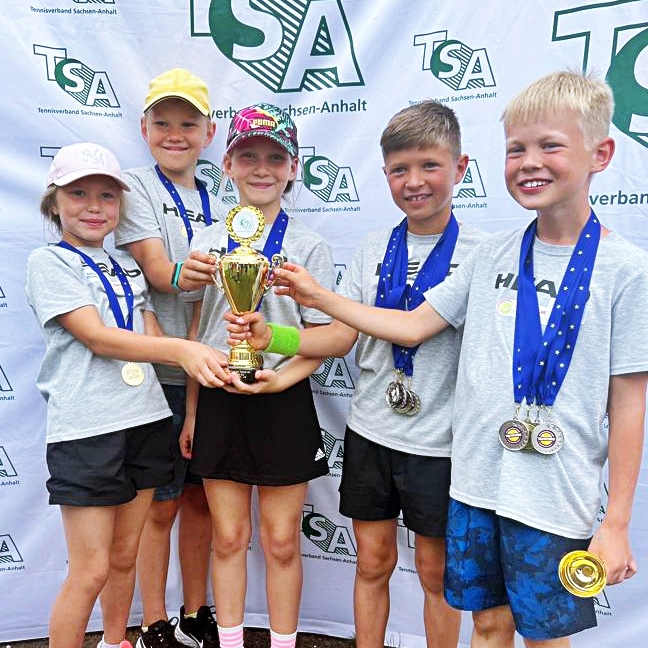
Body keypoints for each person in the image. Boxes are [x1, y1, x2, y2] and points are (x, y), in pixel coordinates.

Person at [230, 71, 648, 647]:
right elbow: (380, 329)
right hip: (423, 454)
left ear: (460, 168)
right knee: (446, 600)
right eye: (519, 149)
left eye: (550, 146)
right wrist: (288, 325)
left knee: (504, 611)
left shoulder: (578, 262)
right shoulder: (428, 251)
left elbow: (628, 396)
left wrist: (618, 518)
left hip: (478, 462)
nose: (415, 181)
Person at [229, 100, 482, 648]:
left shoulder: (481, 255)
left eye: (429, 166)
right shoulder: (372, 248)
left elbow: (411, 329)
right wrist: (276, 339)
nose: (414, 182)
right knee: (371, 562)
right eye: (399, 170)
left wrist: (318, 295)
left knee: (437, 574)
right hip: (370, 432)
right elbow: (344, 337)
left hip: (440, 442)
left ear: (461, 169)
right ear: (385, 175)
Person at [25, 142, 230, 648]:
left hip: (145, 420)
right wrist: (182, 348)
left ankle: (118, 641)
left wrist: (218, 350)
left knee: (123, 557)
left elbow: (152, 333)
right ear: (54, 203)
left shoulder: (126, 266)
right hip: (88, 432)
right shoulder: (48, 263)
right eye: (78, 194)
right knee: (90, 571)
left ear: (120, 206)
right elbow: (95, 335)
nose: (94, 207)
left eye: (106, 196)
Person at [181, 103, 334, 648]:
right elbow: (198, 326)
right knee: (228, 536)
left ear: (294, 167)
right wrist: (194, 410)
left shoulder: (310, 245)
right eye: (249, 155)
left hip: (282, 397)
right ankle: (227, 641)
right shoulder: (205, 240)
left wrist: (285, 378)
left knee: (281, 541)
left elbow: (326, 336)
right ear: (227, 162)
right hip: (221, 394)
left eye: (276, 157)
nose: (262, 168)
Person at [113, 68, 221, 648]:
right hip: (161, 376)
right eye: (162, 123)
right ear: (144, 128)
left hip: (219, 371)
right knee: (160, 503)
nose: (174, 134)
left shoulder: (225, 192)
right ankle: (153, 619)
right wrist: (193, 272)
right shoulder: (133, 188)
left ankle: (195, 611)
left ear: (208, 132)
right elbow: (159, 274)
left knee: (202, 497)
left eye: (187, 123)